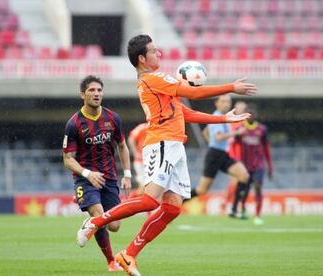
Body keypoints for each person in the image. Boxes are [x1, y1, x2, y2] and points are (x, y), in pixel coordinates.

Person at [76, 34, 257, 276]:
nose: (158, 54)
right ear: (142, 58)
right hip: (161, 142)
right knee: (150, 200)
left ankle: (128, 255)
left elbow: (183, 112)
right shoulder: (152, 78)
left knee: (173, 207)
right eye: (153, 51)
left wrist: (223, 118)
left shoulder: (156, 82)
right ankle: (96, 222)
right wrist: (231, 87)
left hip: (175, 145)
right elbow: (192, 95)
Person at [62, 75, 132, 272]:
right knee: (100, 217)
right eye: (92, 90)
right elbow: (68, 159)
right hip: (85, 179)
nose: (96, 94)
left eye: (99, 90)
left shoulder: (112, 118)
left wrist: (127, 174)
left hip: (109, 177)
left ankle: (90, 222)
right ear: (82, 94)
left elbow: (122, 145)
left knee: (115, 225)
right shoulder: (74, 124)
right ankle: (111, 261)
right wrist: (86, 173)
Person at [187, 96, 249, 205]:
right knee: (202, 190)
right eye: (223, 101)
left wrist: (211, 142)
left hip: (223, 154)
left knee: (244, 175)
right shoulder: (217, 117)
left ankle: (235, 209)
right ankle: (177, 202)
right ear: (216, 103)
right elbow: (219, 137)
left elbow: (205, 131)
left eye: (228, 101)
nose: (226, 104)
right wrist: (236, 133)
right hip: (214, 155)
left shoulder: (224, 117)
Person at [229, 103, 273, 225]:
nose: (251, 115)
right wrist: (235, 161)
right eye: (249, 113)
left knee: (258, 188)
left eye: (253, 113)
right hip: (244, 165)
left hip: (258, 165)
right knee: (245, 190)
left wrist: (270, 167)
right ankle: (242, 208)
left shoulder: (262, 130)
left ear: (256, 115)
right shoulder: (240, 130)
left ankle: (258, 215)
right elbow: (233, 145)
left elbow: (266, 149)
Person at [127, 122, 148, 197]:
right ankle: (130, 201)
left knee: (148, 188)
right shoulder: (143, 127)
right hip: (141, 161)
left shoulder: (159, 129)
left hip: (153, 161)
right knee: (144, 186)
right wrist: (135, 152)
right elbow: (131, 138)